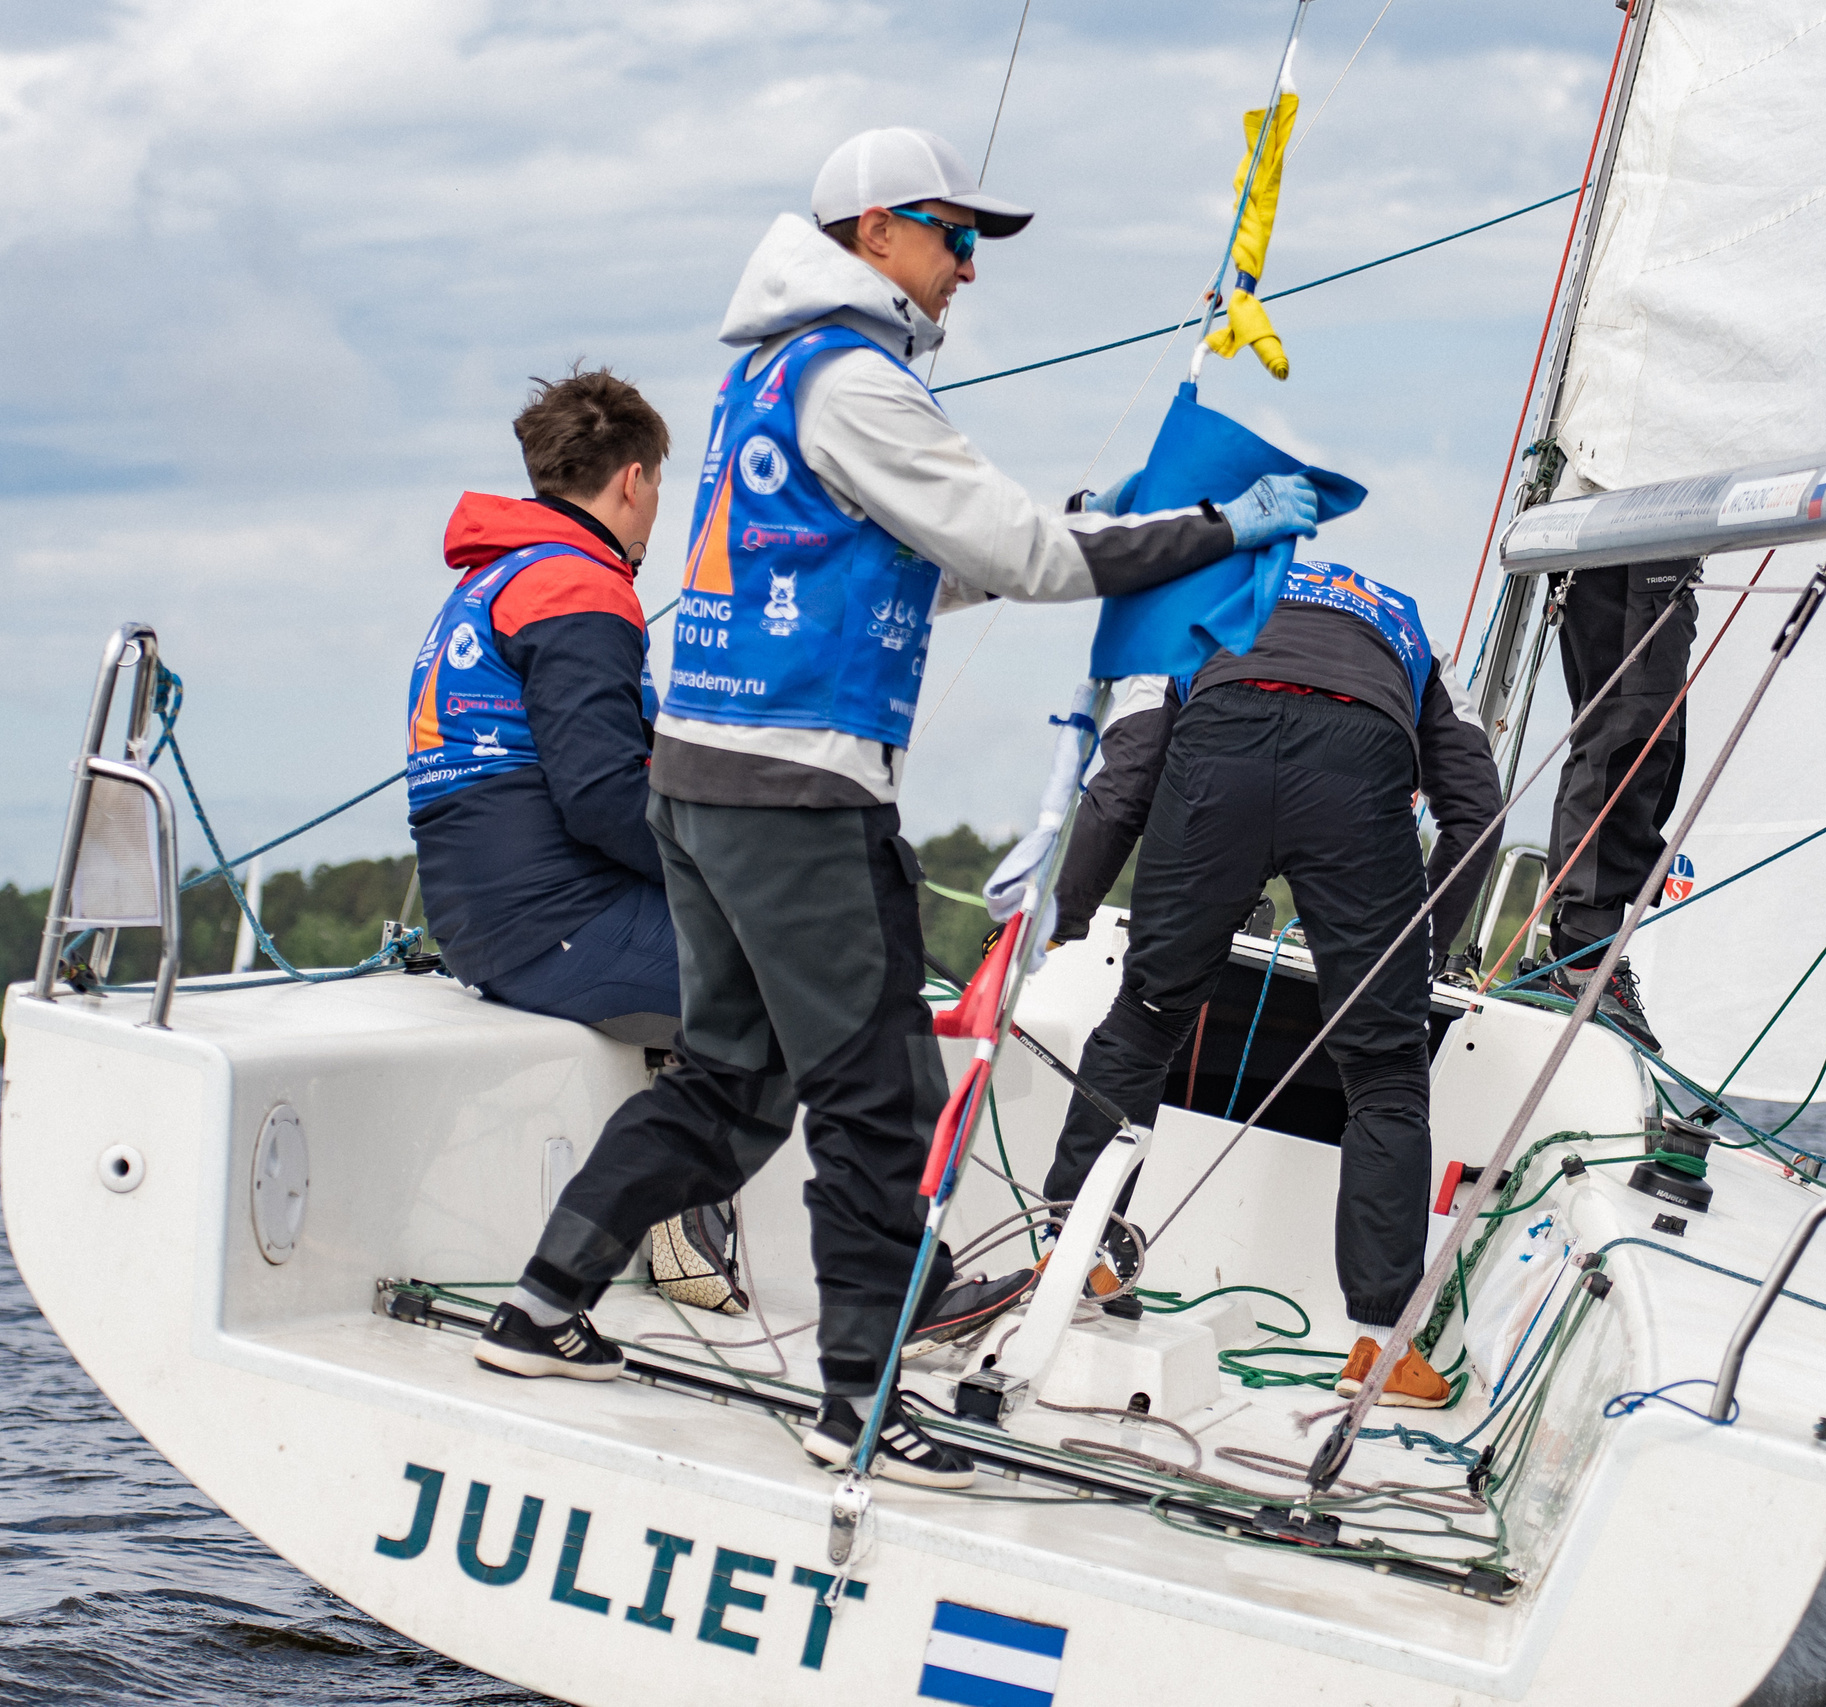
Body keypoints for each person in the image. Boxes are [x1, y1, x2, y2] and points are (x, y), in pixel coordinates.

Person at [474, 126, 1322, 1491]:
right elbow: (1032, 558)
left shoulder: (773, 375)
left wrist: (1062, 525)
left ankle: (540, 1303)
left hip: (702, 779)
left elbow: (920, 571)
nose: (970, 268)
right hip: (795, 790)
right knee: (880, 1095)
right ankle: (859, 1403)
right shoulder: (858, 380)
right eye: (958, 236)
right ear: (878, 229)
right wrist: (1223, 524)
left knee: (738, 1080)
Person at [1042, 560, 1504, 1409]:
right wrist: (1420, 950)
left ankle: (1072, 1262)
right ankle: (1383, 1348)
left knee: (1145, 1018)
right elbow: (1476, 811)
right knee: (1386, 1069)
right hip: (1360, 768)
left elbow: (1125, 782)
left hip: (1220, 748)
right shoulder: (1415, 632)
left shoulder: (1196, 605)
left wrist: (1059, 916)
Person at [406, 367, 679, 1047]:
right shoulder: (575, 585)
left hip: (491, 928)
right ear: (632, 481)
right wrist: (737, 869)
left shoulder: (496, 578)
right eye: (658, 490)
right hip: (559, 926)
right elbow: (604, 794)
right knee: (826, 972)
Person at [1520, 561, 1693, 1049]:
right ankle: (1581, 964)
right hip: (1639, 544)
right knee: (1631, 740)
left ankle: (1574, 953)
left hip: (1625, 544)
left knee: (1632, 737)